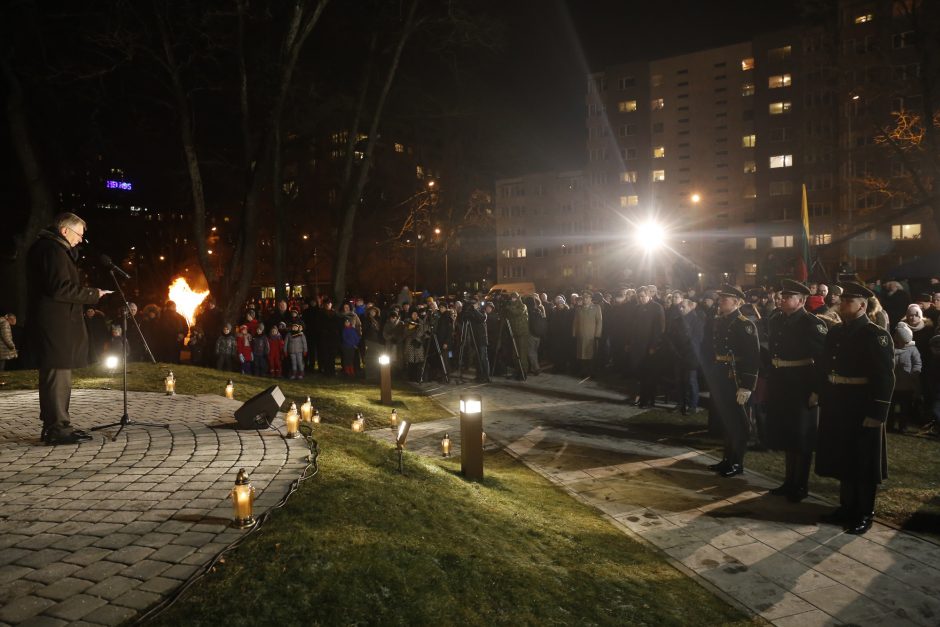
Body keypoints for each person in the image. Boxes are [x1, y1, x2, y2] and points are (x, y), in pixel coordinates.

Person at [816, 282, 895, 535]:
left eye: (848, 301)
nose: (842, 304)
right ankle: (846, 507)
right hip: (839, 402)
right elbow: (826, 366)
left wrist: (878, 413)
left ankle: (864, 512)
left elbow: (884, 377)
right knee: (843, 457)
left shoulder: (875, 334)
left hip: (862, 404)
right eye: (842, 300)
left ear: (862, 305)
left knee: (863, 462)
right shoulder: (836, 332)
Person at [26, 212, 112, 444]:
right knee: (57, 373)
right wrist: (93, 294)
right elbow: (59, 288)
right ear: (65, 231)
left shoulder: (53, 250)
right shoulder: (52, 251)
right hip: (55, 325)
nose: (81, 240)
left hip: (58, 324)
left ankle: (58, 424)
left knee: (60, 373)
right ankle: (57, 428)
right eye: (79, 234)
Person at [764, 280, 827, 502]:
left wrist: (817, 391)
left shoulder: (811, 323)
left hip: (802, 385)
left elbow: (822, 360)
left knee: (802, 438)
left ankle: (800, 485)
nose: (781, 300)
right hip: (782, 383)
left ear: (800, 301)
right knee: (788, 435)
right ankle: (789, 481)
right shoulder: (778, 319)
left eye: (787, 297)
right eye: (781, 296)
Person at [705, 285, 760, 477]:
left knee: (739, 422)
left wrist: (747, 386)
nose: (720, 301)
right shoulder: (721, 321)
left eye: (725, 299)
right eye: (720, 299)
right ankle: (727, 459)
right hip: (721, 374)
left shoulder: (744, 324)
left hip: (736, 377)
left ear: (736, 302)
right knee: (726, 420)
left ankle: (737, 462)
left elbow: (753, 357)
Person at [889, 322, 921, 433]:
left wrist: (915, 373)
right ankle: (889, 425)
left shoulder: (913, 350)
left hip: (907, 385)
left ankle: (903, 427)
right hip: (893, 384)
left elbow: (917, 363)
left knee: (904, 409)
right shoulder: (891, 349)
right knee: (891, 408)